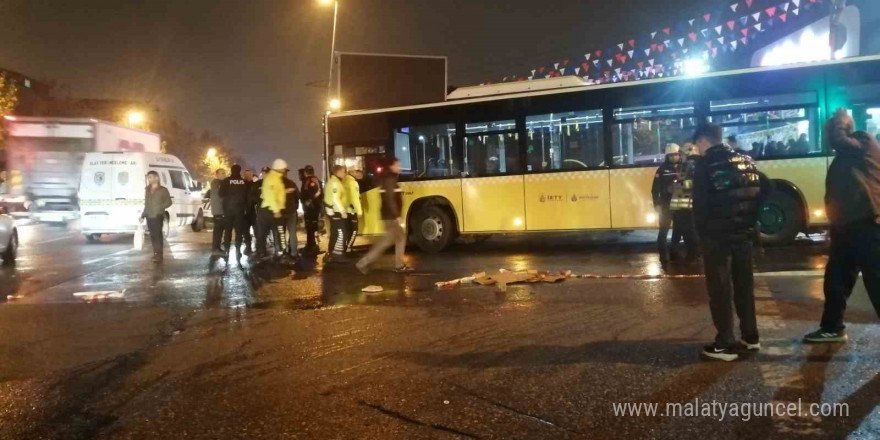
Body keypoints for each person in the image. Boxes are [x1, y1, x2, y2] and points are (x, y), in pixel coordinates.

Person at [692, 123, 767, 362]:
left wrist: (702, 236)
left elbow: (700, 208)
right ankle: (750, 337)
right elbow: (767, 186)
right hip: (744, 236)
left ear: (703, 141)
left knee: (721, 290)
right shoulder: (746, 161)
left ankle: (725, 343)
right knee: (744, 287)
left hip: (718, 239)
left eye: (697, 145)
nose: (697, 150)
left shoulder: (705, 166)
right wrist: (750, 217)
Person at [804, 109, 880, 343]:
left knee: (877, 282)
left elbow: (838, 138)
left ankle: (832, 326)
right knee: (836, 280)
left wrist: (840, 118)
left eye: (829, 132)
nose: (828, 140)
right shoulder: (846, 155)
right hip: (847, 229)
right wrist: (832, 226)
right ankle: (832, 327)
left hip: (868, 226)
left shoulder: (863, 141)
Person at [356, 157, 412, 274]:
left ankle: (398, 265)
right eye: (397, 165)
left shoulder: (389, 178)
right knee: (391, 241)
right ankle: (364, 262)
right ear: (391, 166)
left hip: (388, 216)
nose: (399, 167)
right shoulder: (390, 179)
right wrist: (396, 216)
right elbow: (390, 199)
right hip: (391, 217)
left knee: (394, 240)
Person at [651, 143, 682, 263]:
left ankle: (674, 253)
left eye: (676, 155)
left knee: (678, 231)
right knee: (663, 230)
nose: (674, 157)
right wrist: (657, 204)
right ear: (667, 156)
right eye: (671, 155)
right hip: (666, 204)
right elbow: (655, 189)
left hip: (680, 204)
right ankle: (663, 256)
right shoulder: (662, 170)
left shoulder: (683, 168)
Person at [257, 160, 287, 260]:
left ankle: (280, 252)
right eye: (283, 168)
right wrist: (276, 210)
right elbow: (270, 196)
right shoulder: (271, 179)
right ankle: (262, 253)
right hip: (269, 211)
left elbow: (277, 193)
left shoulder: (276, 178)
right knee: (266, 233)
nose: (284, 170)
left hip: (273, 210)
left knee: (275, 232)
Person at [219, 164, 250, 259]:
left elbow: (220, 194)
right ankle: (238, 251)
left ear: (231, 171)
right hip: (239, 210)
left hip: (228, 209)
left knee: (227, 231)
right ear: (239, 171)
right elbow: (247, 196)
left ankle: (226, 250)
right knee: (238, 231)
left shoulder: (225, 181)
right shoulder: (244, 182)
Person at [142, 171, 172, 263]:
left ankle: (159, 255)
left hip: (158, 215)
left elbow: (169, 202)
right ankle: (155, 253)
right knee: (152, 236)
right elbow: (146, 204)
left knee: (158, 235)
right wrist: (143, 215)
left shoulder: (163, 190)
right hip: (149, 216)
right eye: (148, 177)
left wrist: (160, 207)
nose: (149, 179)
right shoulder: (147, 189)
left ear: (156, 178)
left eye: (151, 177)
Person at [323, 165, 348, 263]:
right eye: (343, 171)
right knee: (341, 233)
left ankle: (332, 253)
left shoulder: (334, 181)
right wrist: (342, 211)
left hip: (333, 211)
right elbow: (335, 198)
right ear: (337, 172)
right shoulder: (335, 183)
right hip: (336, 211)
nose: (344, 173)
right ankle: (338, 254)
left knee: (335, 233)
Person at [300, 165, 323, 255]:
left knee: (311, 226)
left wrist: (310, 201)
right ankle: (311, 245)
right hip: (314, 207)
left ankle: (313, 246)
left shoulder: (310, 180)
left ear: (305, 172)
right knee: (311, 226)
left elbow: (318, 192)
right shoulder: (315, 180)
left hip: (311, 207)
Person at [343, 167, 363, 254]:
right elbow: (355, 199)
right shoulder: (353, 183)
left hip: (345, 210)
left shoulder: (344, 180)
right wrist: (359, 211)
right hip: (352, 210)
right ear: (351, 172)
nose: (360, 173)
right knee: (354, 230)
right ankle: (348, 249)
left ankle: (346, 248)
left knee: (348, 230)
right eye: (357, 171)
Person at [281, 168, 300, 259]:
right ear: (286, 174)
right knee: (292, 233)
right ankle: (294, 252)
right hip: (291, 211)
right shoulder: (292, 183)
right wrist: (295, 206)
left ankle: (283, 252)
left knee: (281, 233)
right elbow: (298, 196)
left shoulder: (275, 184)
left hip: (280, 212)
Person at [209, 169, 227, 257]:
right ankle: (216, 249)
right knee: (218, 231)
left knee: (219, 230)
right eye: (222, 173)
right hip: (219, 211)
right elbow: (220, 197)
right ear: (217, 175)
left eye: (224, 173)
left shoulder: (216, 183)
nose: (224, 175)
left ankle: (217, 248)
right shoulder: (217, 183)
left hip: (218, 210)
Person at [241, 168, 256, 254]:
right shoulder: (241, 185)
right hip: (245, 211)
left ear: (251, 175)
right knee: (245, 231)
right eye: (246, 175)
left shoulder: (255, 185)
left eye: (249, 175)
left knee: (257, 231)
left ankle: (259, 247)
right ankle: (248, 246)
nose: (247, 176)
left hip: (253, 211)